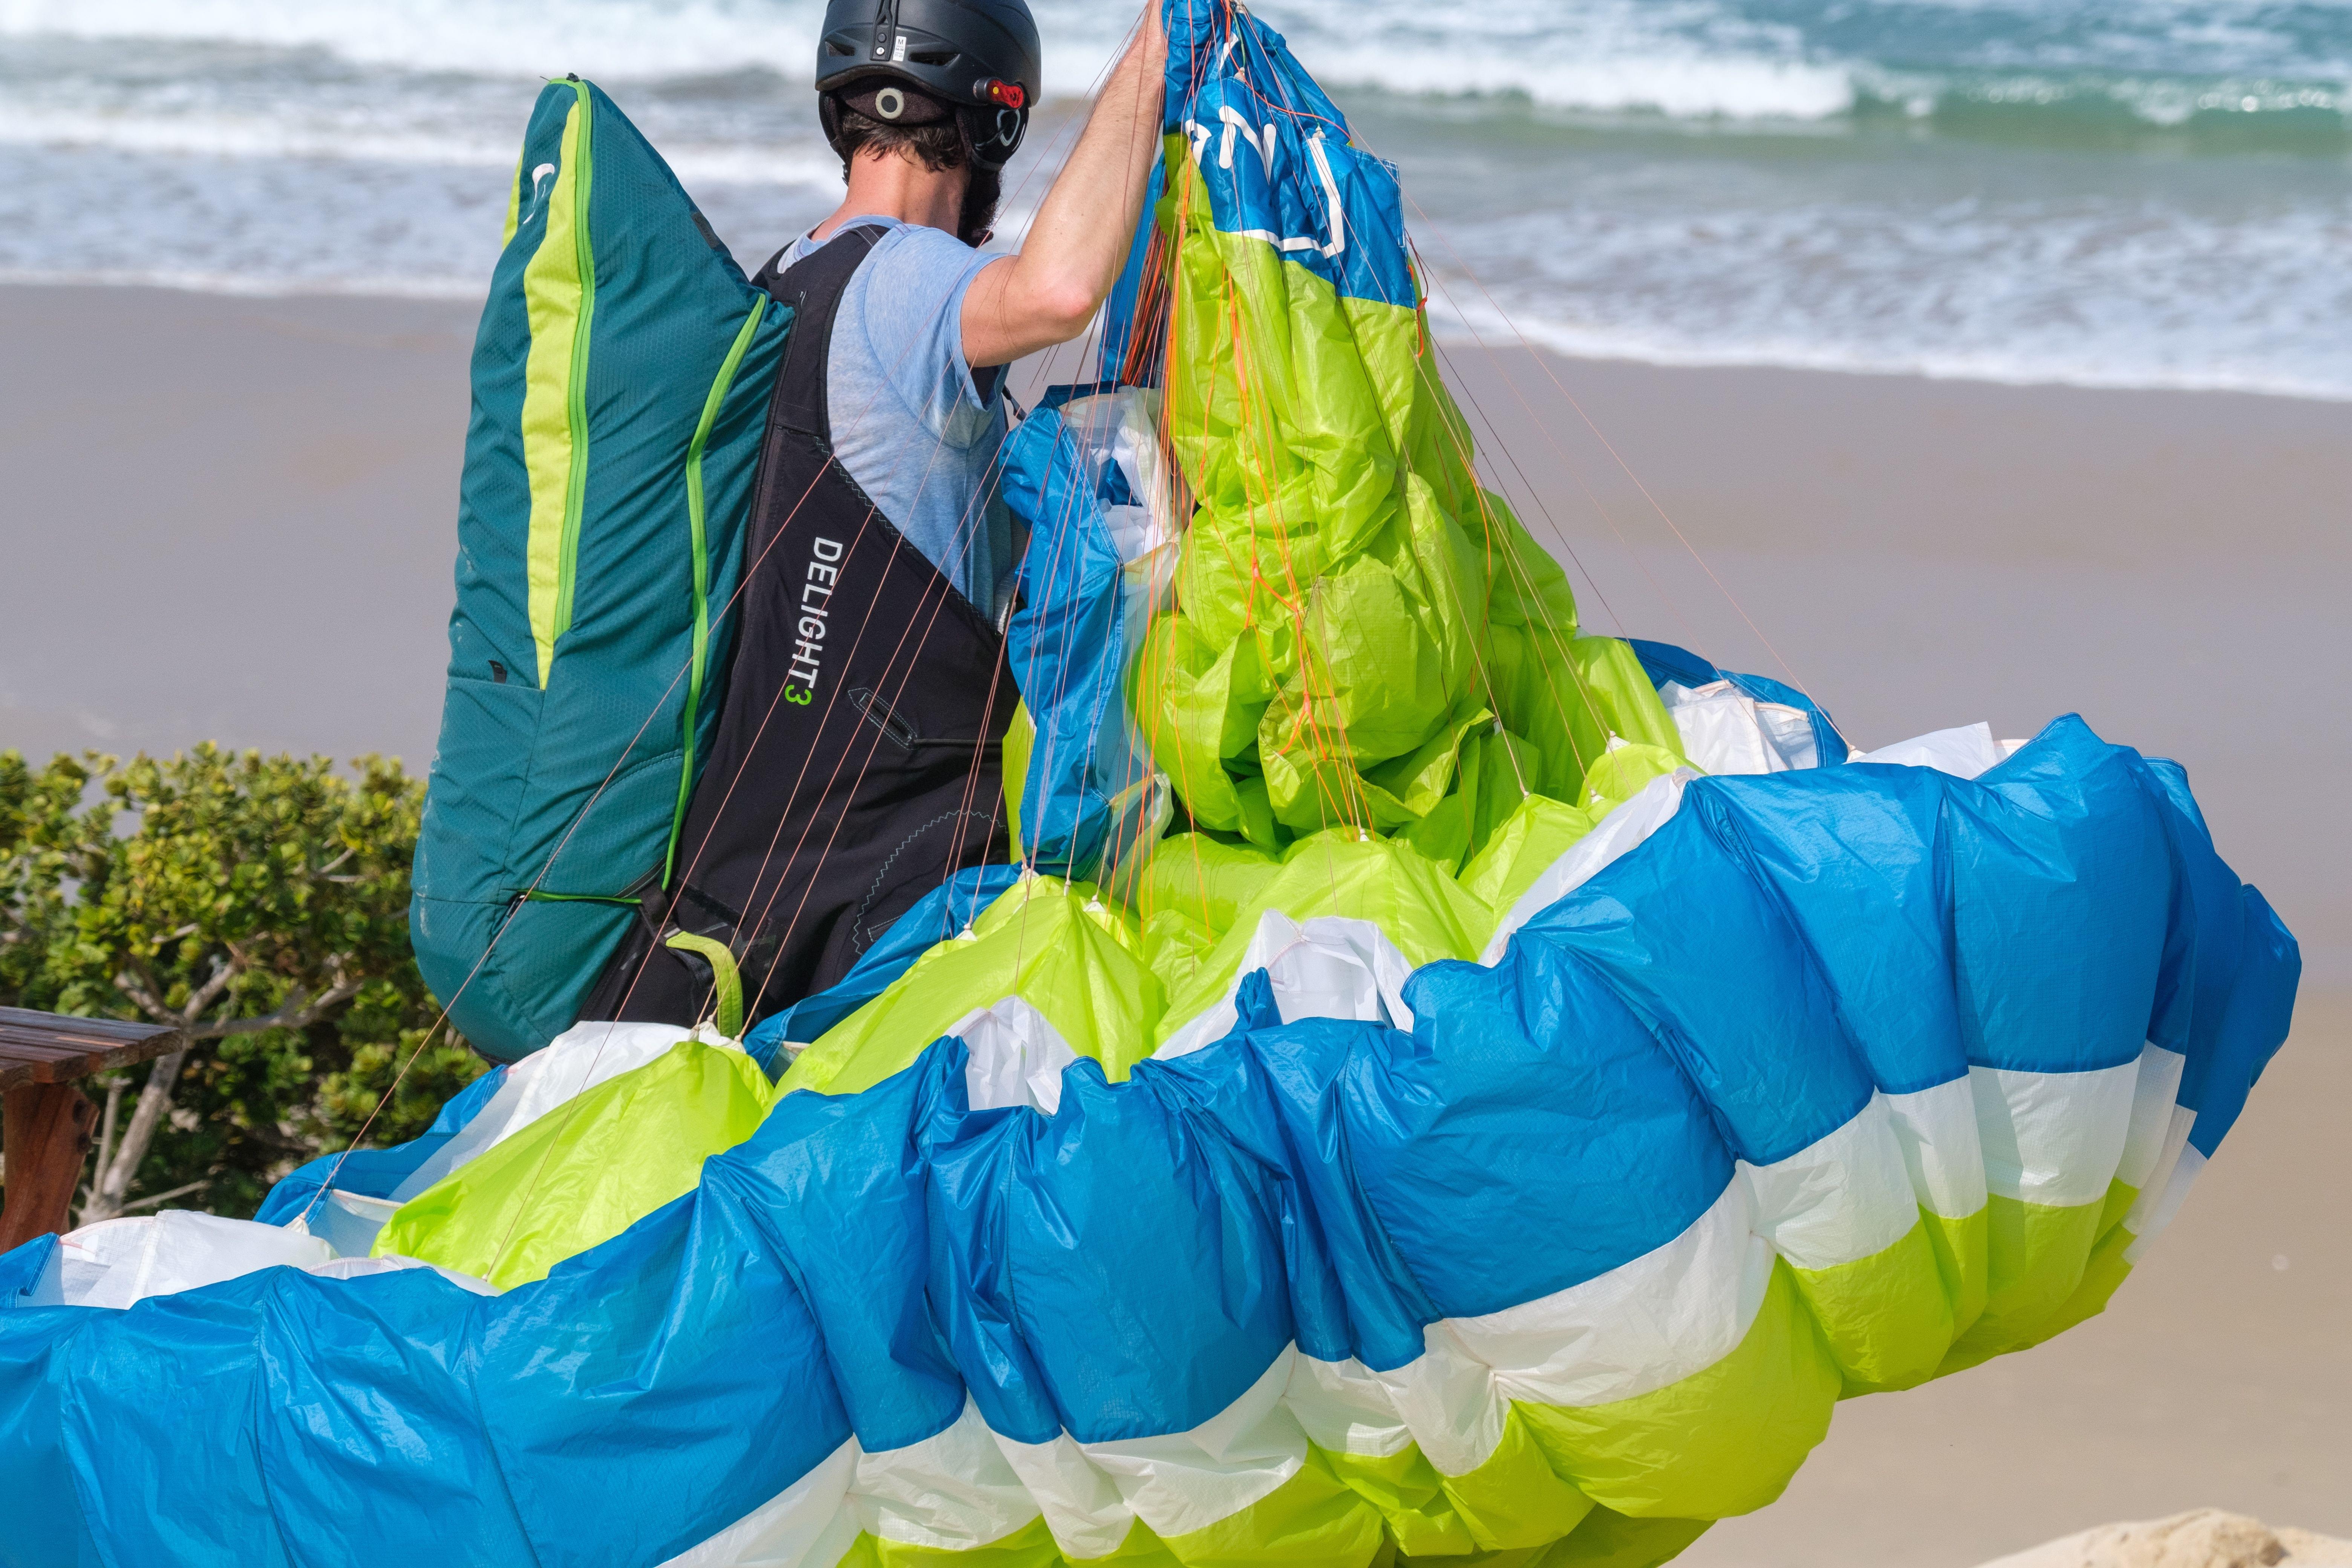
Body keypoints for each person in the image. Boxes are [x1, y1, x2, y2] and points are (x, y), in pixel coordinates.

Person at [586, 0, 1168, 1035]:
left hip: (745, 893)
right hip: (880, 902)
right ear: (995, 127)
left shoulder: (784, 283)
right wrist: (1162, 45)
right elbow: (1060, 290)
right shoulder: (908, 277)